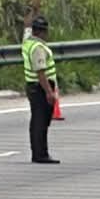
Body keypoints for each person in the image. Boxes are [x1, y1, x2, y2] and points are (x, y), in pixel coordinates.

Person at [23, 15, 59, 164]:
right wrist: (49, 92)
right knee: (41, 122)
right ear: (42, 32)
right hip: (40, 87)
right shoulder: (38, 48)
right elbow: (41, 72)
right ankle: (40, 154)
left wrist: (33, 11)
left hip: (32, 86)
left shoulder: (27, 42)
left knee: (37, 121)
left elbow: (26, 27)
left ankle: (39, 152)